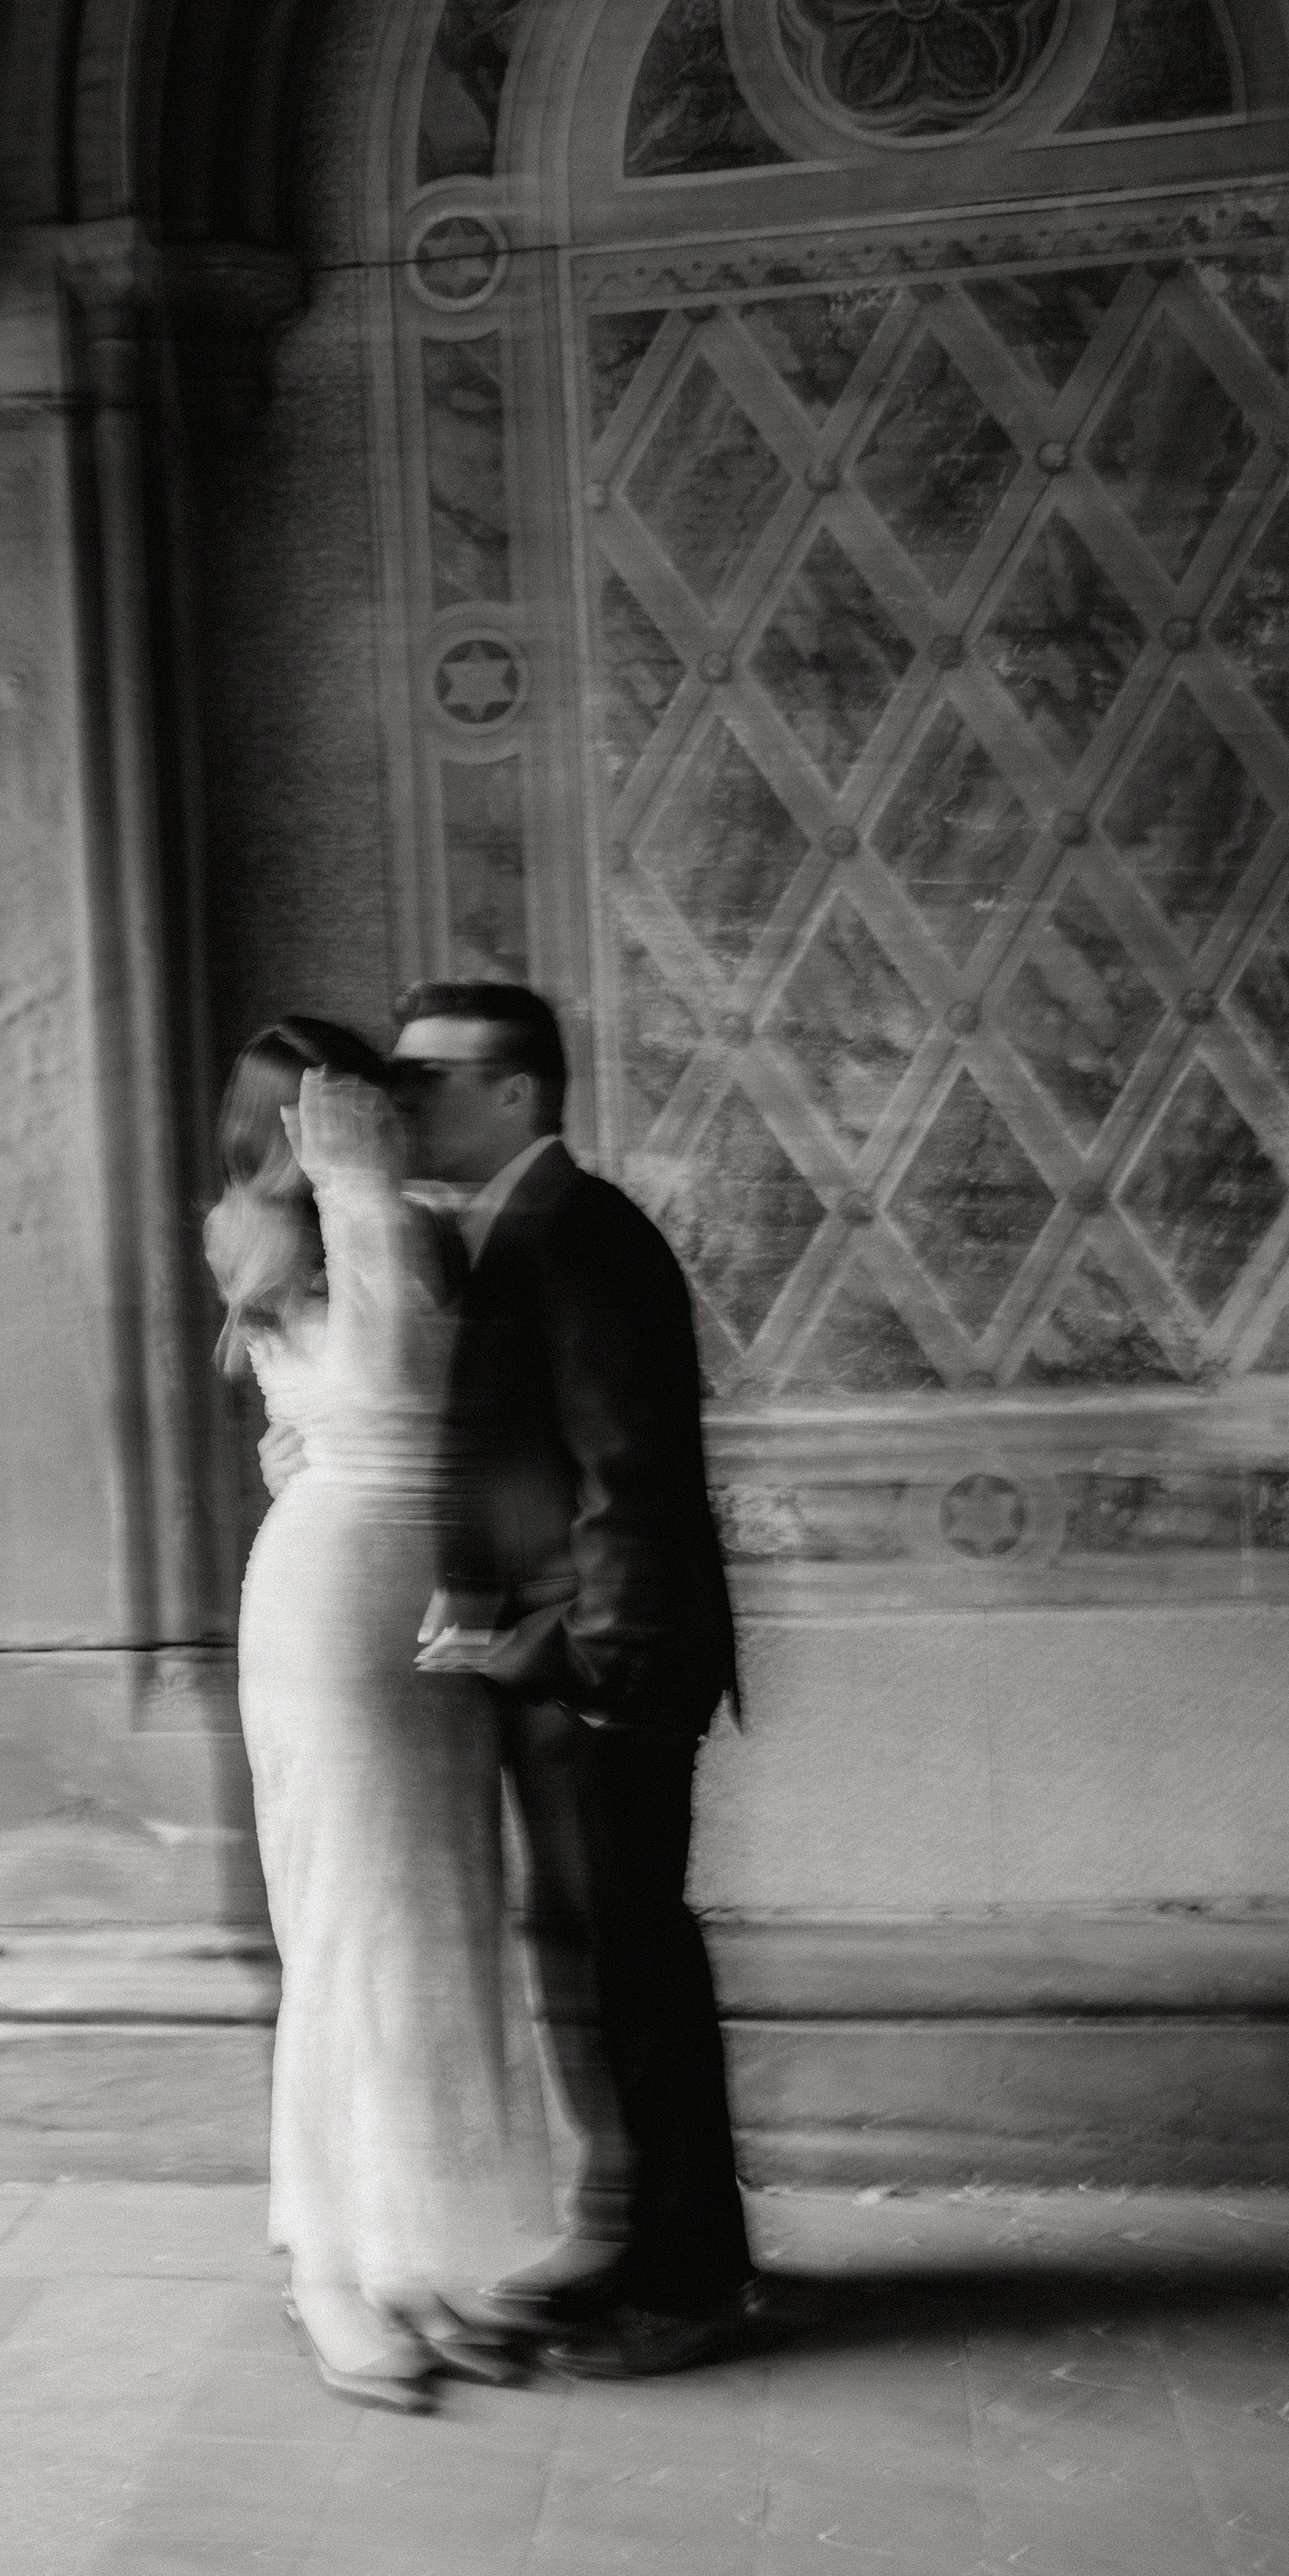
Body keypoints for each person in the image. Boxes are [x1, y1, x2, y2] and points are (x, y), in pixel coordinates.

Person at [392, 980, 759, 2378]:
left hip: (606, 1675)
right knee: (593, 1973)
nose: (405, 1100)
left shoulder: (584, 1235)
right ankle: (627, 2235)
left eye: (432, 1077)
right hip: (549, 1670)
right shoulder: (507, 1236)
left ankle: (692, 2281)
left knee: (636, 1974)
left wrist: (599, 1670)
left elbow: (632, 1478)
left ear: (517, 1093)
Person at [203, 1016, 546, 2412]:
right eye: (332, 1111)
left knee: (445, 1916)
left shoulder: (421, 1226)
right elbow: (384, 1384)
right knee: (349, 1922)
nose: (365, 1126)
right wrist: (347, 1191)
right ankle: (328, 2262)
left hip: (437, 1590)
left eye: (376, 1104)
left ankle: (434, 2252)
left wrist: (380, 1201)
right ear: (287, 1126)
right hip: (332, 1600)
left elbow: (471, 1416)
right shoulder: (262, 1235)